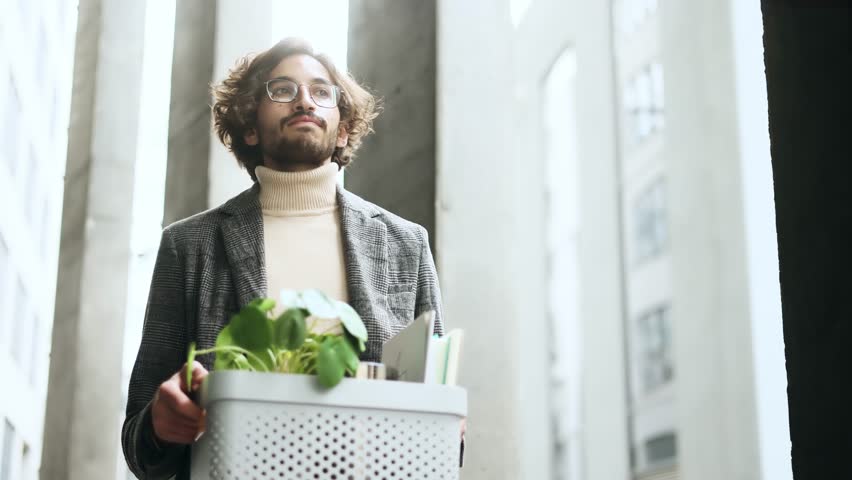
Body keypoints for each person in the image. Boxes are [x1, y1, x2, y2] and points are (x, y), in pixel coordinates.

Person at [121, 38, 444, 479]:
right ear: (250, 126)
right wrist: (159, 425)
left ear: (343, 128)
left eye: (321, 91)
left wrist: (447, 427)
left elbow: (440, 413)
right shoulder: (189, 245)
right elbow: (140, 441)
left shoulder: (406, 243)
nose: (305, 100)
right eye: (283, 90)